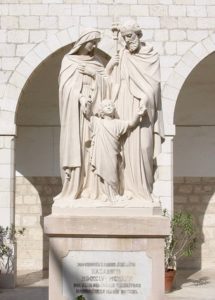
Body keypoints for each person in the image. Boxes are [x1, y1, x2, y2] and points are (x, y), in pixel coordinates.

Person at [106, 20, 165, 201]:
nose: (127, 41)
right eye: (124, 37)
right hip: (124, 103)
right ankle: (128, 190)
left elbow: (154, 85)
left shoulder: (151, 55)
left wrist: (146, 97)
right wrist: (110, 66)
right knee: (125, 148)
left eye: (130, 36)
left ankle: (144, 191)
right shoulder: (122, 54)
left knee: (144, 147)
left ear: (138, 35)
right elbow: (112, 83)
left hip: (144, 109)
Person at [57, 28, 109, 200]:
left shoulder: (97, 62)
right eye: (91, 42)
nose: (94, 45)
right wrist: (79, 97)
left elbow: (108, 85)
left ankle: (92, 188)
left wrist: (94, 74)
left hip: (93, 110)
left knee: (92, 147)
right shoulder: (68, 61)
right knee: (78, 145)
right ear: (82, 41)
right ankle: (75, 188)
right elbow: (64, 87)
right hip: (76, 111)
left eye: (96, 42)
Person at [85, 99, 146, 202]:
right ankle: (105, 194)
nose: (109, 107)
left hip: (112, 152)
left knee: (112, 173)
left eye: (110, 105)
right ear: (101, 111)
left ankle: (114, 194)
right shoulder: (97, 122)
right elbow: (88, 115)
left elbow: (131, 124)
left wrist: (138, 114)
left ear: (114, 109)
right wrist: (88, 105)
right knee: (102, 172)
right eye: (106, 106)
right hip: (100, 152)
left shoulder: (118, 123)